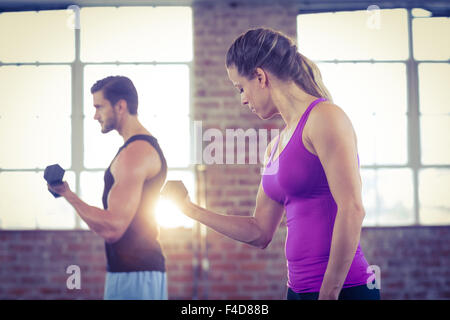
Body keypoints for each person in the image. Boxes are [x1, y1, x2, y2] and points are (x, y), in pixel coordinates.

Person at [162, 28, 380, 300]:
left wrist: (329, 293)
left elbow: (353, 208)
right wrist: (189, 209)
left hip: (343, 290)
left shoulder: (325, 118)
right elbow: (260, 231)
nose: (242, 99)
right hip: (297, 291)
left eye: (241, 88)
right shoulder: (274, 148)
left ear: (260, 76)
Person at [48, 76, 168, 300]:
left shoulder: (136, 152)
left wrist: (68, 194)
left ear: (120, 106)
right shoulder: (137, 149)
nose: (95, 115)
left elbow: (113, 228)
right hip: (132, 272)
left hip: (136, 275)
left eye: (99, 107)